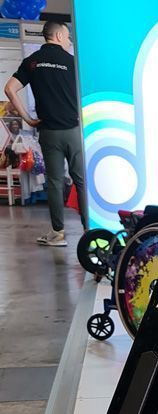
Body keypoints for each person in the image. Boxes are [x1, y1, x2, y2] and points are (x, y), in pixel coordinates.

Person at [3, 20, 87, 247]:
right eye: (68, 37)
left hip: (50, 133)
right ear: (58, 36)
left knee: (55, 182)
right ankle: (89, 230)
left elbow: (9, 88)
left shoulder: (32, 62)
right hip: (74, 131)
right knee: (81, 181)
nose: (70, 41)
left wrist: (28, 119)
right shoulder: (72, 62)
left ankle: (58, 234)